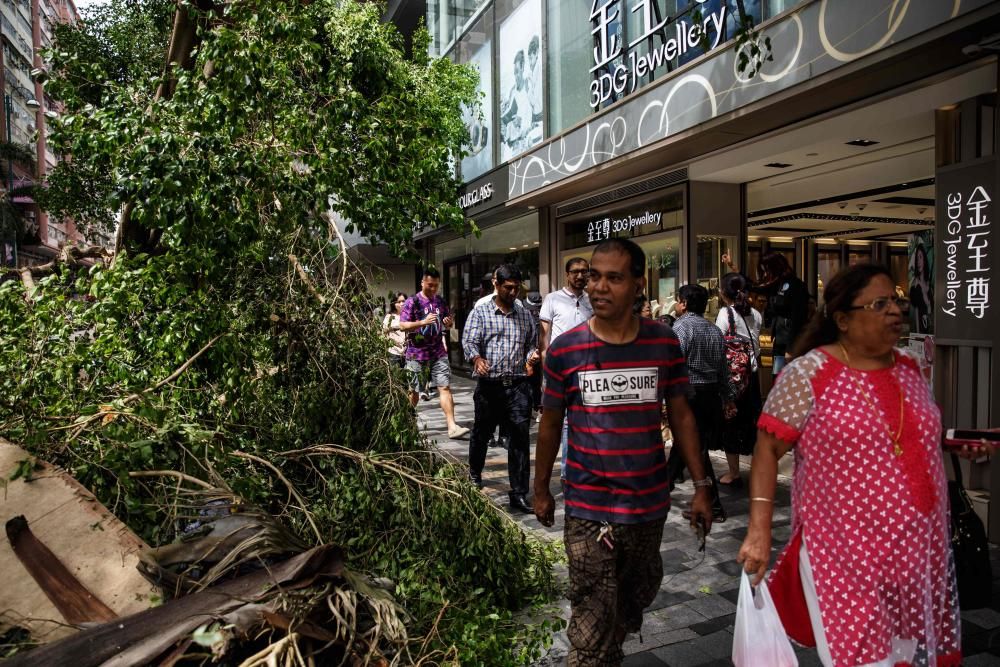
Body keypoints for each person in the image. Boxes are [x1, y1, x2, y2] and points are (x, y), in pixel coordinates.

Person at [737, 264, 963, 667]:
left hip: (917, 554)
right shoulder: (809, 373)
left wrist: (955, 442)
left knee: (908, 656)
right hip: (843, 556)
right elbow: (767, 450)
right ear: (842, 319)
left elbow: (899, 434)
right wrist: (758, 531)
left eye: (896, 300)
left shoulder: (909, 367)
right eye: (880, 304)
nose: (895, 311)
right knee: (863, 659)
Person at [533, 238, 714, 666]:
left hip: (648, 504)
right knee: (591, 620)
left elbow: (683, 416)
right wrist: (540, 488)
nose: (598, 286)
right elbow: (550, 423)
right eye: (594, 276)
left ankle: (611, 642)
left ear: (638, 284)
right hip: (588, 506)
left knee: (641, 587)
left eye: (613, 278)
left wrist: (702, 486)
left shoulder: (663, 343)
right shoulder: (565, 350)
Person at [462, 263, 540, 511]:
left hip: (517, 386)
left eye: (517, 288)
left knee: (519, 439)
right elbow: (469, 342)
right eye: (508, 288)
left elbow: (531, 342)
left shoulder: (524, 314)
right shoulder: (481, 312)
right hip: (489, 386)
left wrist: (532, 355)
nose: (513, 293)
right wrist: (477, 359)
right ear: (496, 284)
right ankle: (474, 474)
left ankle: (518, 492)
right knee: (482, 433)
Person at [664, 284, 734, 522]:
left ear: (683, 303)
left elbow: (674, 364)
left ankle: (713, 504)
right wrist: (728, 397)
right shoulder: (713, 329)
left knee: (694, 446)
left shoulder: (681, 327)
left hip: (689, 394)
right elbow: (724, 369)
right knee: (688, 445)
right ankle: (663, 490)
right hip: (711, 393)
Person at [538, 257, 593, 479]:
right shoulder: (553, 299)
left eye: (584, 272)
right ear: (567, 274)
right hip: (560, 369)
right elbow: (544, 339)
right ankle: (566, 471)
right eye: (575, 272)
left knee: (584, 420)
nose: (580, 276)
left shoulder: (592, 300)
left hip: (588, 368)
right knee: (560, 421)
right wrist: (546, 371)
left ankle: (579, 468)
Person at [399, 268, 469, 439]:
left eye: (436, 286)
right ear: (423, 282)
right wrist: (422, 322)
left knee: (444, 386)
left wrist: (449, 322)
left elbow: (447, 323)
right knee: (413, 391)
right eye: (430, 285)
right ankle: (406, 423)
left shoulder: (440, 301)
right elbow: (402, 325)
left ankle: (452, 426)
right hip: (416, 352)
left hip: (438, 351)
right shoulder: (412, 302)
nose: (432, 289)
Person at [714, 273, 763, 486]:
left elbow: (718, 343)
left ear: (725, 292)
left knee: (730, 423)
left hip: (733, 377)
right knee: (752, 422)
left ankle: (734, 472)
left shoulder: (726, 313)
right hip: (752, 375)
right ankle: (758, 469)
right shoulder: (756, 314)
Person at [723, 251, 808, 374]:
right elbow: (754, 286)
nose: (766, 273)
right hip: (779, 340)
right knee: (777, 376)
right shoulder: (777, 284)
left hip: (791, 342)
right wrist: (734, 268)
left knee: (790, 378)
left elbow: (798, 317)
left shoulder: (796, 285)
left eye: (767, 269)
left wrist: (791, 348)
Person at [909, 241, 932, 334]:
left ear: (924, 260)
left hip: (929, 327)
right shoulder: (914, 285)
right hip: (919, 329)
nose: (918, 261)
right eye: (917, 258)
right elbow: (914, 310)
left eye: (920, 257)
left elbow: (930, 309)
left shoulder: (929, 285)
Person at [382, 292, 407, 370]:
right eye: (398, 302)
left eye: (403, 301)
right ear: (394, 303)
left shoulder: (408, 316)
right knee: (396, 378)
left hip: (407, 353)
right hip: (394, 352)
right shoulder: (389, 317)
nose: (401, 304)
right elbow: (384, 332)